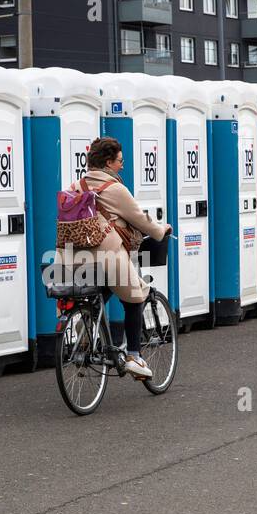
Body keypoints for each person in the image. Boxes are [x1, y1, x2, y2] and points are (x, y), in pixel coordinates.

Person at [70, 137, 171, 380]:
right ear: (108, 162)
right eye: (120, 161)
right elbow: (140, 218)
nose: (122, 165)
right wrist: (160, 230)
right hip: (108, 256)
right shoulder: (114, 189)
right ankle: (134, 356)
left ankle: (86, 328)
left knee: (104, 290)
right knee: (134, 296)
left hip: (75, 256)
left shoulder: (76, 186)